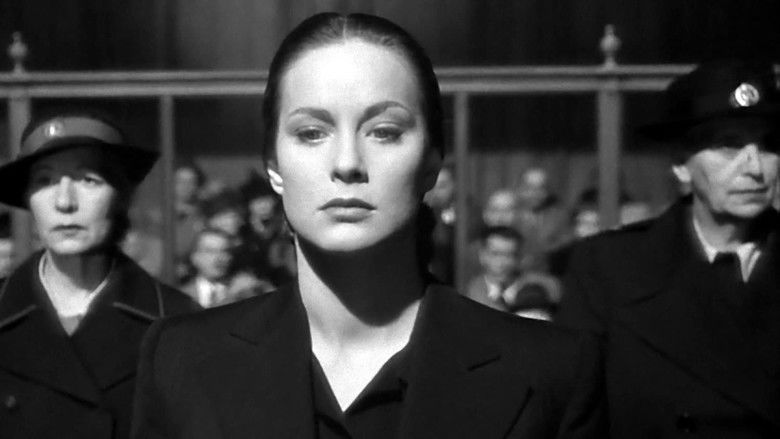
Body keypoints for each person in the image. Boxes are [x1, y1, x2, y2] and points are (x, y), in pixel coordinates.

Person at [132, 13, 605, 438]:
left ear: (431, 163)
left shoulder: (551, 371)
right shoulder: (182, 362)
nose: (347, 162)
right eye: (311, 133)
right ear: (274, 166)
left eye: (384, 132)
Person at [556, 59, 780, 437]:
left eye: (770, 145)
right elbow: (575, 416)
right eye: (729, 145)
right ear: (680, 165)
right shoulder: (609, 269)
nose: (755, 167)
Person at [0, 113, 200, 439]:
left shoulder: (177, 324)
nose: (64, 202)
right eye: (45, 181)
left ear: (121, 196)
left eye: (88, 180)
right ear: (28, 200)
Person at [465, 226, 560, 320]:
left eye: (509, 255)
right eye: (495, 254)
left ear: (520, 258)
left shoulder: (545, 288)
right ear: (482, 256)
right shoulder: (471, 295)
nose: (502, 262)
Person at [180, 227, 273, 308]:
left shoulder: (249, 290)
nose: (219, 258)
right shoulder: (181, 296)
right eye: (210, 251)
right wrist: (230, 297)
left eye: (225, 251)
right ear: (194, 257)